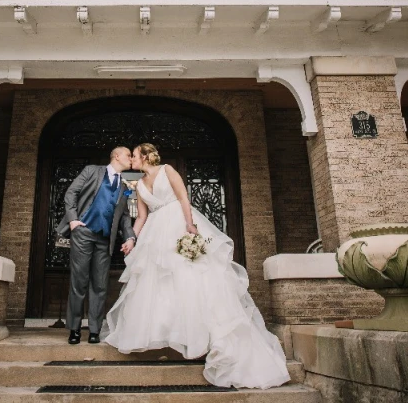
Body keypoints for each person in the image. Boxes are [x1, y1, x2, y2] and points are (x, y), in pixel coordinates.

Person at [104, 143, 291, 390]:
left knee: (191, 277)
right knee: (158, 282)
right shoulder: (137, 184)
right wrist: (131, 239)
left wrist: (190, 225)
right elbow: (141, 216)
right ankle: (169, 332)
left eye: (135, 156)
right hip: (154, 233)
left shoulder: (167, 170)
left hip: (178, 223)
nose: (132, 160)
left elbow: (183, 198)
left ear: (147, 156)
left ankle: (203, 336)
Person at [56, 146, 136, 344]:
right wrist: (73, 220)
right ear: (117, 156)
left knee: (100, 286)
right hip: (83, 233)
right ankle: (74, 329)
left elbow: (124, 216)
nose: (131, 159)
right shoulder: (92, 171)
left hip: (105, 239)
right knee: (79, 283)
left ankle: (94, 330)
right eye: (128, 155)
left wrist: (129, 237)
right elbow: (71, 193)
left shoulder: (125, 187)